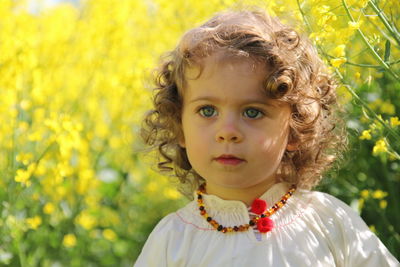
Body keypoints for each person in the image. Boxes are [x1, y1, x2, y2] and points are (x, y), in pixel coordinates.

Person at [135, 6, 399, 267]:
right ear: (179, 126)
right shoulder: (173, 239)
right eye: (207, 110)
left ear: (296, 127)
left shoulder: (328, 221)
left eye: (252, 112)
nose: (227, 131)